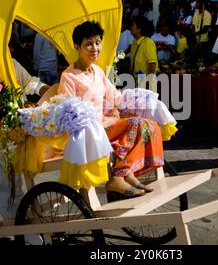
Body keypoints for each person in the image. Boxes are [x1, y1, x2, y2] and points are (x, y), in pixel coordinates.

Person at [58, 21, 165, 198]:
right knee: (135, 123)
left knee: (148, 124)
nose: (95, 48)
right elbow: (69, 111)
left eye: (98, 42)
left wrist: (133, 102)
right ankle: (119, 175)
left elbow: (115, 97)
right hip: (88, 131)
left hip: (105, 124)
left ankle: (126, 171)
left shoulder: (98, 71)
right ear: (77, 47)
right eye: (89, 44)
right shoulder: (69, 77)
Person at [0, 52, 49, 225]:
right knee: (7, 183)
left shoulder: (10, 62)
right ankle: (26, 232)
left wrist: (49, 90)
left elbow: (30, 83)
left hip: (18, 127)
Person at [129, 15, 158, 89]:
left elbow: (152, 64)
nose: (131, 28)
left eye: (133, 25)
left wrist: (148, 83)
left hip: (146, 84)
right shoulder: (134, 43)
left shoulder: (147, 42)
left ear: (139, 29)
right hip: (138, 82)